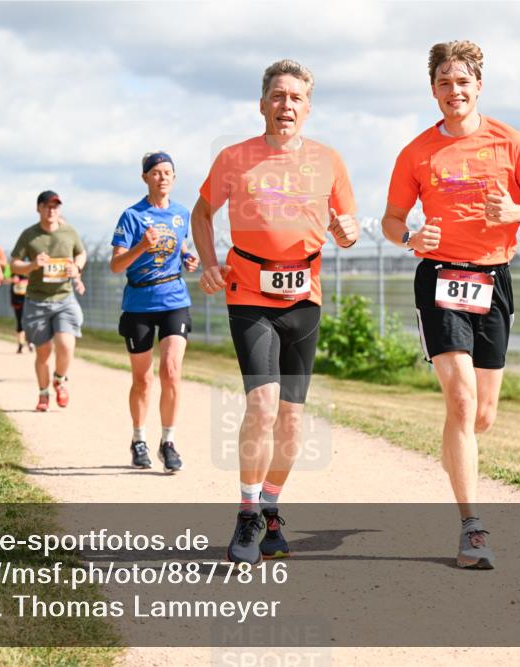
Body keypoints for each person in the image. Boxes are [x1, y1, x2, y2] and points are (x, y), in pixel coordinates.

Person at [381, 41, 520, 569]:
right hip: (439, 279)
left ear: (478, 85)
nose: (453, 91)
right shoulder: (416, 152)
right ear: (432, 89)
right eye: (443, 82)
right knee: (459, 402)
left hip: (494, 279)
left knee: (481, 415)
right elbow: (391, 221)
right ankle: (471, 526)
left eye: (462, 81)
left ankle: (456, 452)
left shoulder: (511, 141)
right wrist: (411, 237)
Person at [191, 60, 359, 564]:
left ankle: (270, 509)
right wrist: (209, 262)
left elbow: (345, 225)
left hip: (304, 296)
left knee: (291, 421)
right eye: (278, 96)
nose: (287, 105)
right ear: (262, 103)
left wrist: (346, 233)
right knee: (261, 407)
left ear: (308, 108)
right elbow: (202, 213)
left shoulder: (328, 160)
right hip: (248, 292)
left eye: (296, 98)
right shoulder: (234, 158)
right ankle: (246, 516)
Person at [110, 151, 200, 473]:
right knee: (143, 379)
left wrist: (190, 259)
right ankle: (138, 440)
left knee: (171, 372)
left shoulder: (181, 214)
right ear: (145, 178)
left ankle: (169, 442)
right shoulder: (132, 216)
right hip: (139, 305)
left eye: (168, 172)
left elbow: (182, 248)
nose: (162, 177)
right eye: (156, 172)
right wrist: (141, 247)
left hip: (174, 298)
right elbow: (115, 265)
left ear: (174, 178)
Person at [10, 191, 87, 412]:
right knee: (43, 351)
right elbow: (14, 264)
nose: (52, 210)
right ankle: (43, 394)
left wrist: (77, 267)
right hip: (37, 301)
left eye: (56, 206)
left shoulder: (68, 231)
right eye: (47, 206)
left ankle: (60, 380)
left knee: (66, 345)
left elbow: (81, 254)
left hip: (64, 298)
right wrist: (32, 265)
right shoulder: (30, 235)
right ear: (39, 208)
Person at [10, 272, 32, 353]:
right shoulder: (12, 265)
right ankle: (20, 344)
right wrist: (12, 280)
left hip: (30, 298)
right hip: (17, 299)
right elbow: (4, 279)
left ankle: (30, 342)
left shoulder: (34, 262)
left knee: (29, 321)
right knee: (19, 321)